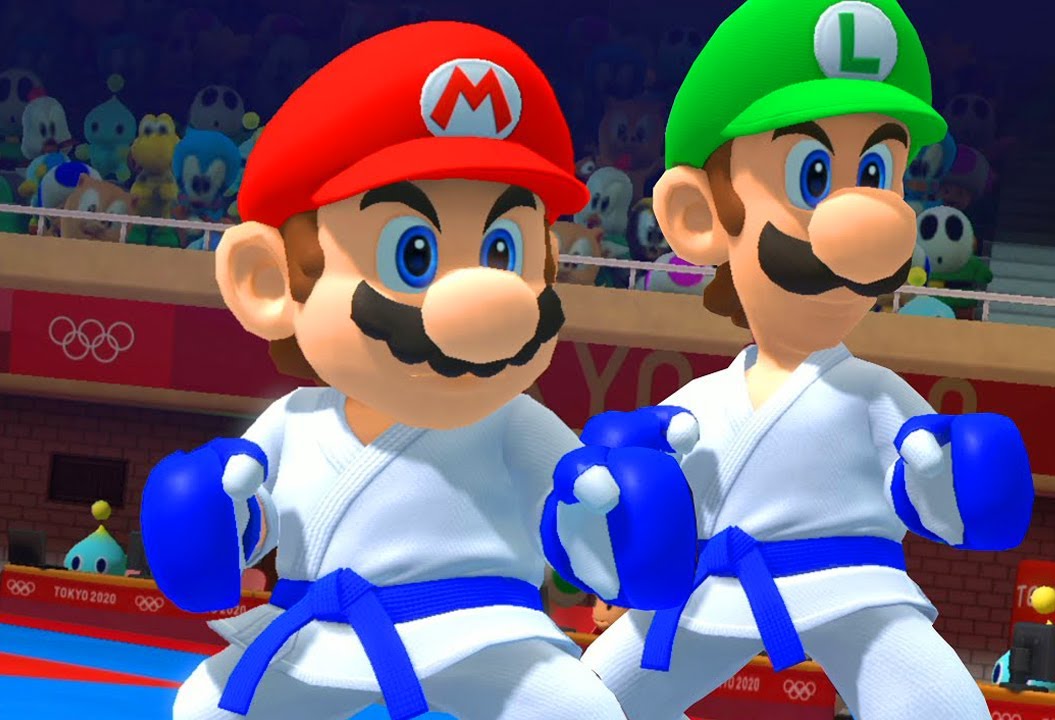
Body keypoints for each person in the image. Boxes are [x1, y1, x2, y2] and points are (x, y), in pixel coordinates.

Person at [140, 22, 699, 720]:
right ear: (271, 282)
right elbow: (254, 524)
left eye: (503, 252)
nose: (485, 297)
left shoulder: (512, 421)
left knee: (581, 711)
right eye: (415, 255)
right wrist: (218, 513)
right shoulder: (296, 422)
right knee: (207, 708)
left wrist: (611, 513)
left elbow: (570, 513)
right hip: (322, 631)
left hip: (487, 632)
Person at [579, 2, 1035, 719]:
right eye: (814, 174)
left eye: (877, 172)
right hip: (713, 587)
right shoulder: (702, 405)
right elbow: (645, 508)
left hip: (856, 587)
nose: (864, 219)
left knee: (942, 706)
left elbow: (929, 498)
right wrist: (614, 497)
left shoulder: (874, 394)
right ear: (700, 216)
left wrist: (951, 478)